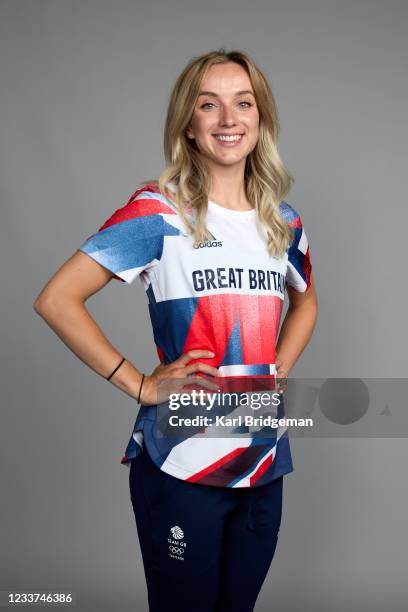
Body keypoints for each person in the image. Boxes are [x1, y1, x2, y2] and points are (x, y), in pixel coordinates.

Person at [33, 49, 318, 612]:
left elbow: (305, 304)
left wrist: (275, 369)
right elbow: (57, 299)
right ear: (188, 124)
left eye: (244, 103)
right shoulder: (158, 212)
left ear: (261, 121)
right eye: (208, 105)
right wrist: (140, 384)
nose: (228, 119)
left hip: (261, 455)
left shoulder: (282, 221)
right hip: (182, 458)